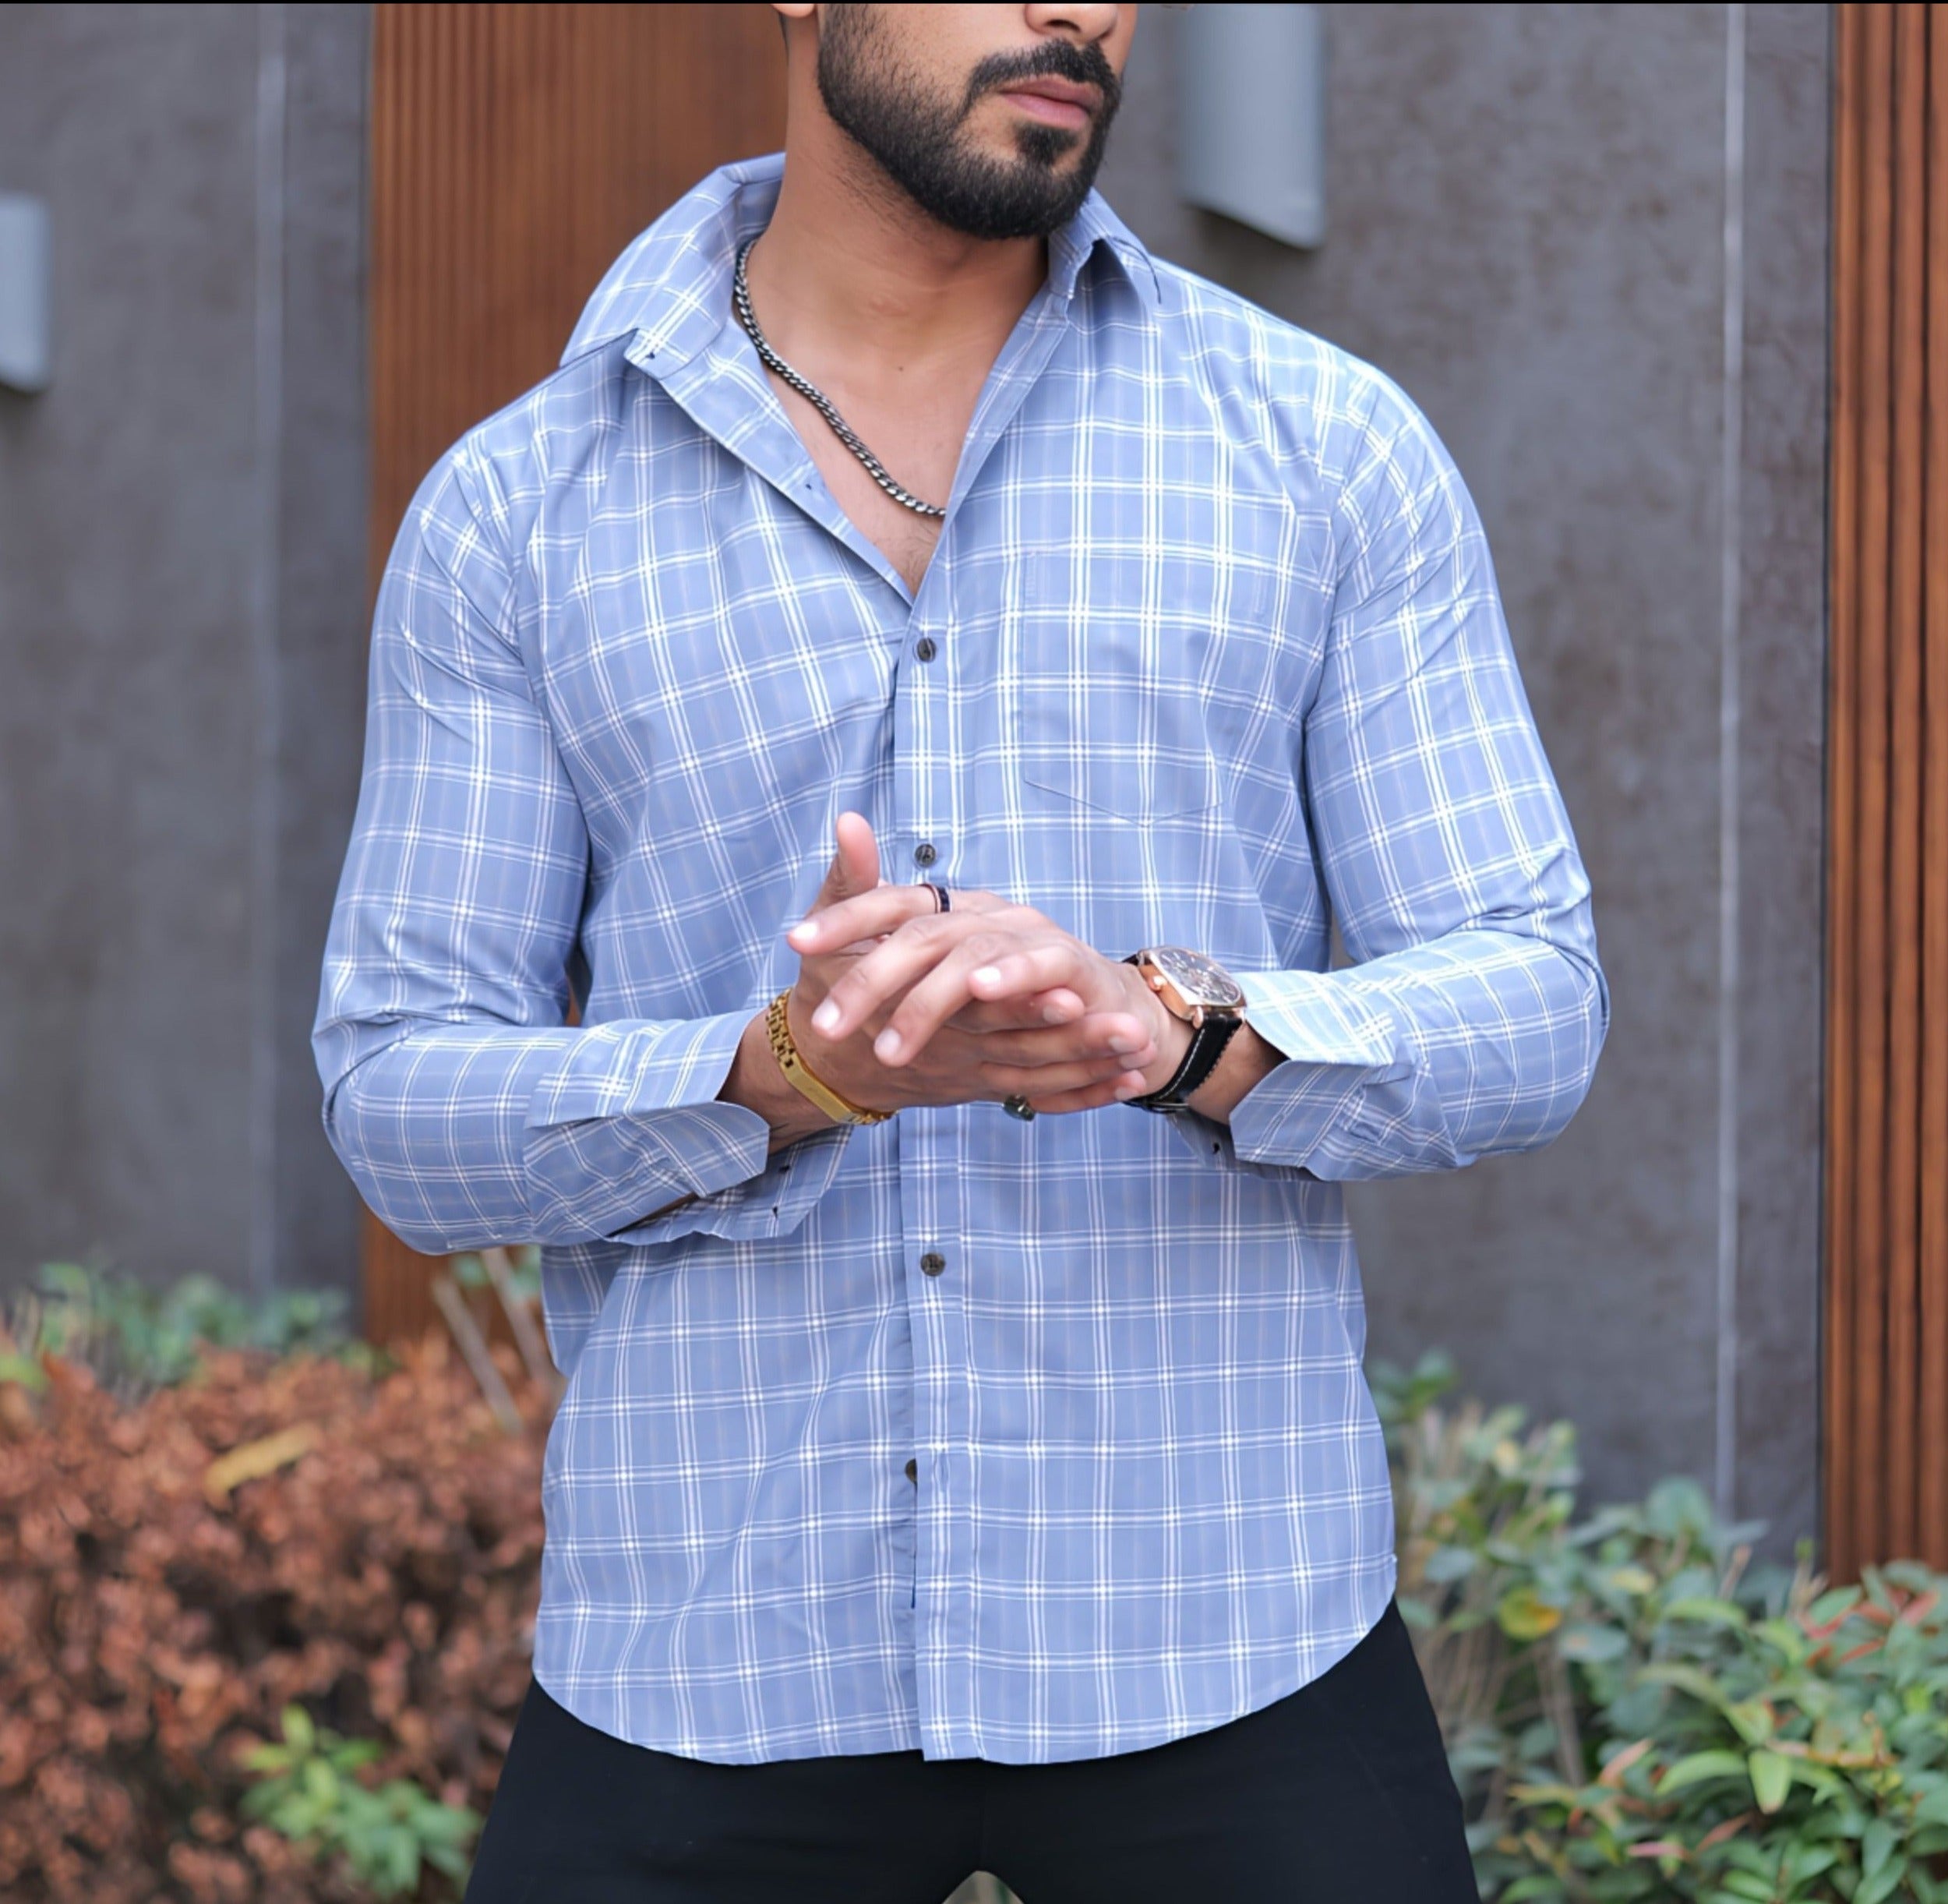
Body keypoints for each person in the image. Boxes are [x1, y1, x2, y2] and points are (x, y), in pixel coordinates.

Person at [316, 5, 1607, 1899]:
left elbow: (1531, 990)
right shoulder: (518, 512)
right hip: (712, 1646)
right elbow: (399, 1092)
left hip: (1225, 1622)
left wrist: (1174, 1032)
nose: (1075, 9)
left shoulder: (1325, 446)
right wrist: (779, 1078)